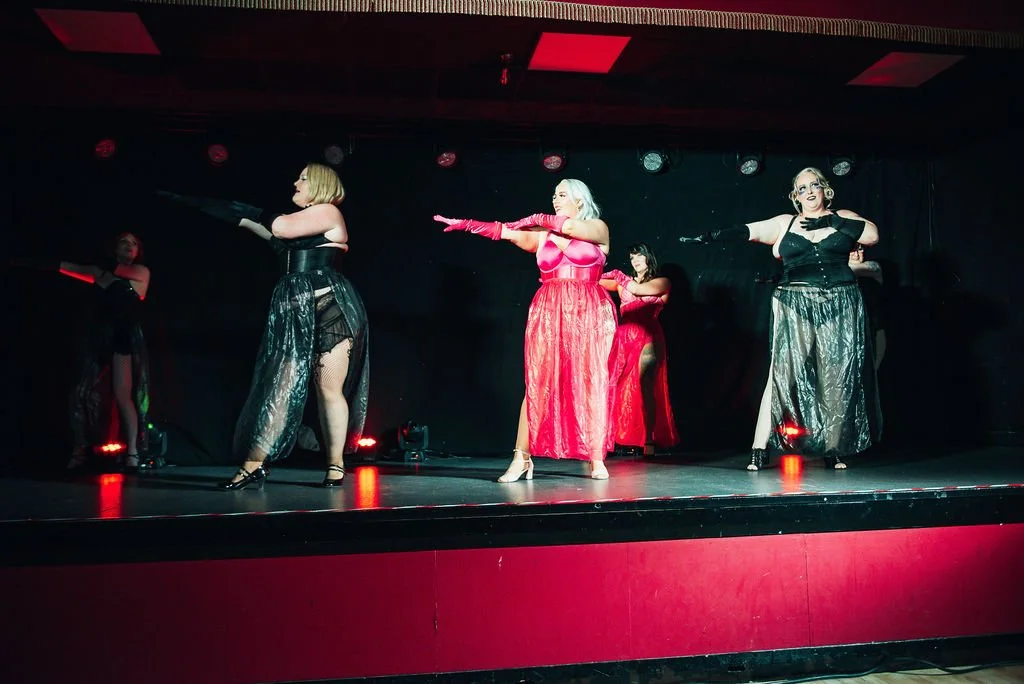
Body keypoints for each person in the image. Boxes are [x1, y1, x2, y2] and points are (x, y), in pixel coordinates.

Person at [159, 163, 368, 489]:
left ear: (320, 184)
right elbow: (256, 225)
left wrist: (255, 213)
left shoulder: (327, 212)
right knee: (282, 387)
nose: (295, 182)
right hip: (294, 315)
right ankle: (254, 464)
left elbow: (280, 228)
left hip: (329, 309)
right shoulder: (300, 222)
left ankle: (335, 463)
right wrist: (208, 206)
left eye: (303, 178)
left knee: (328, 388)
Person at [682, 167, 881, 470]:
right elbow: (749, 230)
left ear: (825, 189)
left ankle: (833, 448)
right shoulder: (785, 223)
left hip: (839, 301)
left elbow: (872, 235)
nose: (809, 191)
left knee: (834, 376)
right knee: (781, 374)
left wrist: (832, 221)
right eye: (802, 188)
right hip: (795, 302)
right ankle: (759, 448)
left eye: (814, 185)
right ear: (795, 196)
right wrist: (711, 236)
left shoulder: (843, 216)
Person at [434, 179, 618, 480]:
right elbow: (503, 231)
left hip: (589, 311)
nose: (555, 199)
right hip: (549, 310)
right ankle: (521, 458)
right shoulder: (543, 236)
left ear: (579, 200)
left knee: (590, 379)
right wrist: (465, 224)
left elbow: (570, 227)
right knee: (538, 383)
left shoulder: (598, 228)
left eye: (562, 194)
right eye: (554, 194)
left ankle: (596, 456)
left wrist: (534, 218)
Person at [24, 233, 153, 473]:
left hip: (123, 337)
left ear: (138, 251)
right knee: (79, 391)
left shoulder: (140, 272)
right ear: (115, 247)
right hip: (99, 337)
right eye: (124, 241)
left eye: (133, 243)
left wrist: (99, 265)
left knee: (123, 394)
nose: (129, 245)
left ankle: (133, 452)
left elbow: (114, 270)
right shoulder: (99, 273)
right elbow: (64, 267)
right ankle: (80, 450)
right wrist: (21, 261)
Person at [600, 243, 680, 454]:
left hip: (648, 337)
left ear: (648, 258)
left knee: (645, 385)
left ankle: (648, 439)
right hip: (624, 338)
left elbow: (639, 290)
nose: (634, 261)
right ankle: (613, 439)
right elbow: (593, 280)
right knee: (615, 385)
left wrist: (618, 275)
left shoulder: (662, 282)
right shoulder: (622, 282)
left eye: (638, 256)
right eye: (631, 257)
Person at [849, 246, 886, 371]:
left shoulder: (873, 267)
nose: (856, 254)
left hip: (872, 330)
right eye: (852, 250)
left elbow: (856, 269)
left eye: (860, 249)